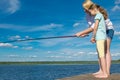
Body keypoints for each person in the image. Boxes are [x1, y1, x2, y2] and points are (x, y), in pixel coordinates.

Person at [75, 0, 114, 78]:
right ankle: (101, 70)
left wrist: (81, 32)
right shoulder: (87, 16)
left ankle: (107, 71)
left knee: (106, 50)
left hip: (108, 30)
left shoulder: (97, 13)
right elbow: (91, 27)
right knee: (99, 51)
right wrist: (85, 34)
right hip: (99, 32)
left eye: (84, 8)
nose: (84, 10)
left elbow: (94, 27)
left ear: (88, 7)